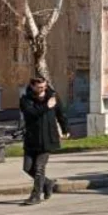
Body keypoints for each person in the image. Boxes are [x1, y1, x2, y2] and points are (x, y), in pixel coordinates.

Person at [18, 77, 70, 206]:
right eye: (39, 87)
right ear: (32, 86)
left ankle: (36, 195)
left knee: (39, 168)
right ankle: (48, 183)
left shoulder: (53, 97)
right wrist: (47, 106)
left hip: (47, 137)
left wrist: (65, 129)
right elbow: (32, 113)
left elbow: (61, 114)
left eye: (44, 87)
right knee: (27, 168)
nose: (42, 89)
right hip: (32, 138)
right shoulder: (26, 99)